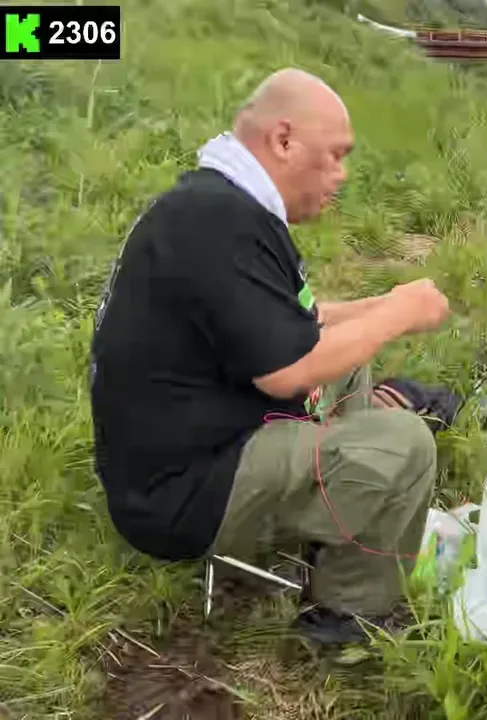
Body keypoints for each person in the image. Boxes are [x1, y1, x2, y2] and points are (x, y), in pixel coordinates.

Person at [89, 68, 454, 647]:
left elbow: (291, 321)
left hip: (184, 456)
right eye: (335, 156)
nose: (342, 175)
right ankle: (346, 616)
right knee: (408, 445)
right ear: (284, 140)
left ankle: (347, 506)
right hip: (183, 499)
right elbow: (289, 370)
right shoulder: (221, 221)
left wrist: (378, 306)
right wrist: (402, 312)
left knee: (348, 357)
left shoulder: (216, 205)